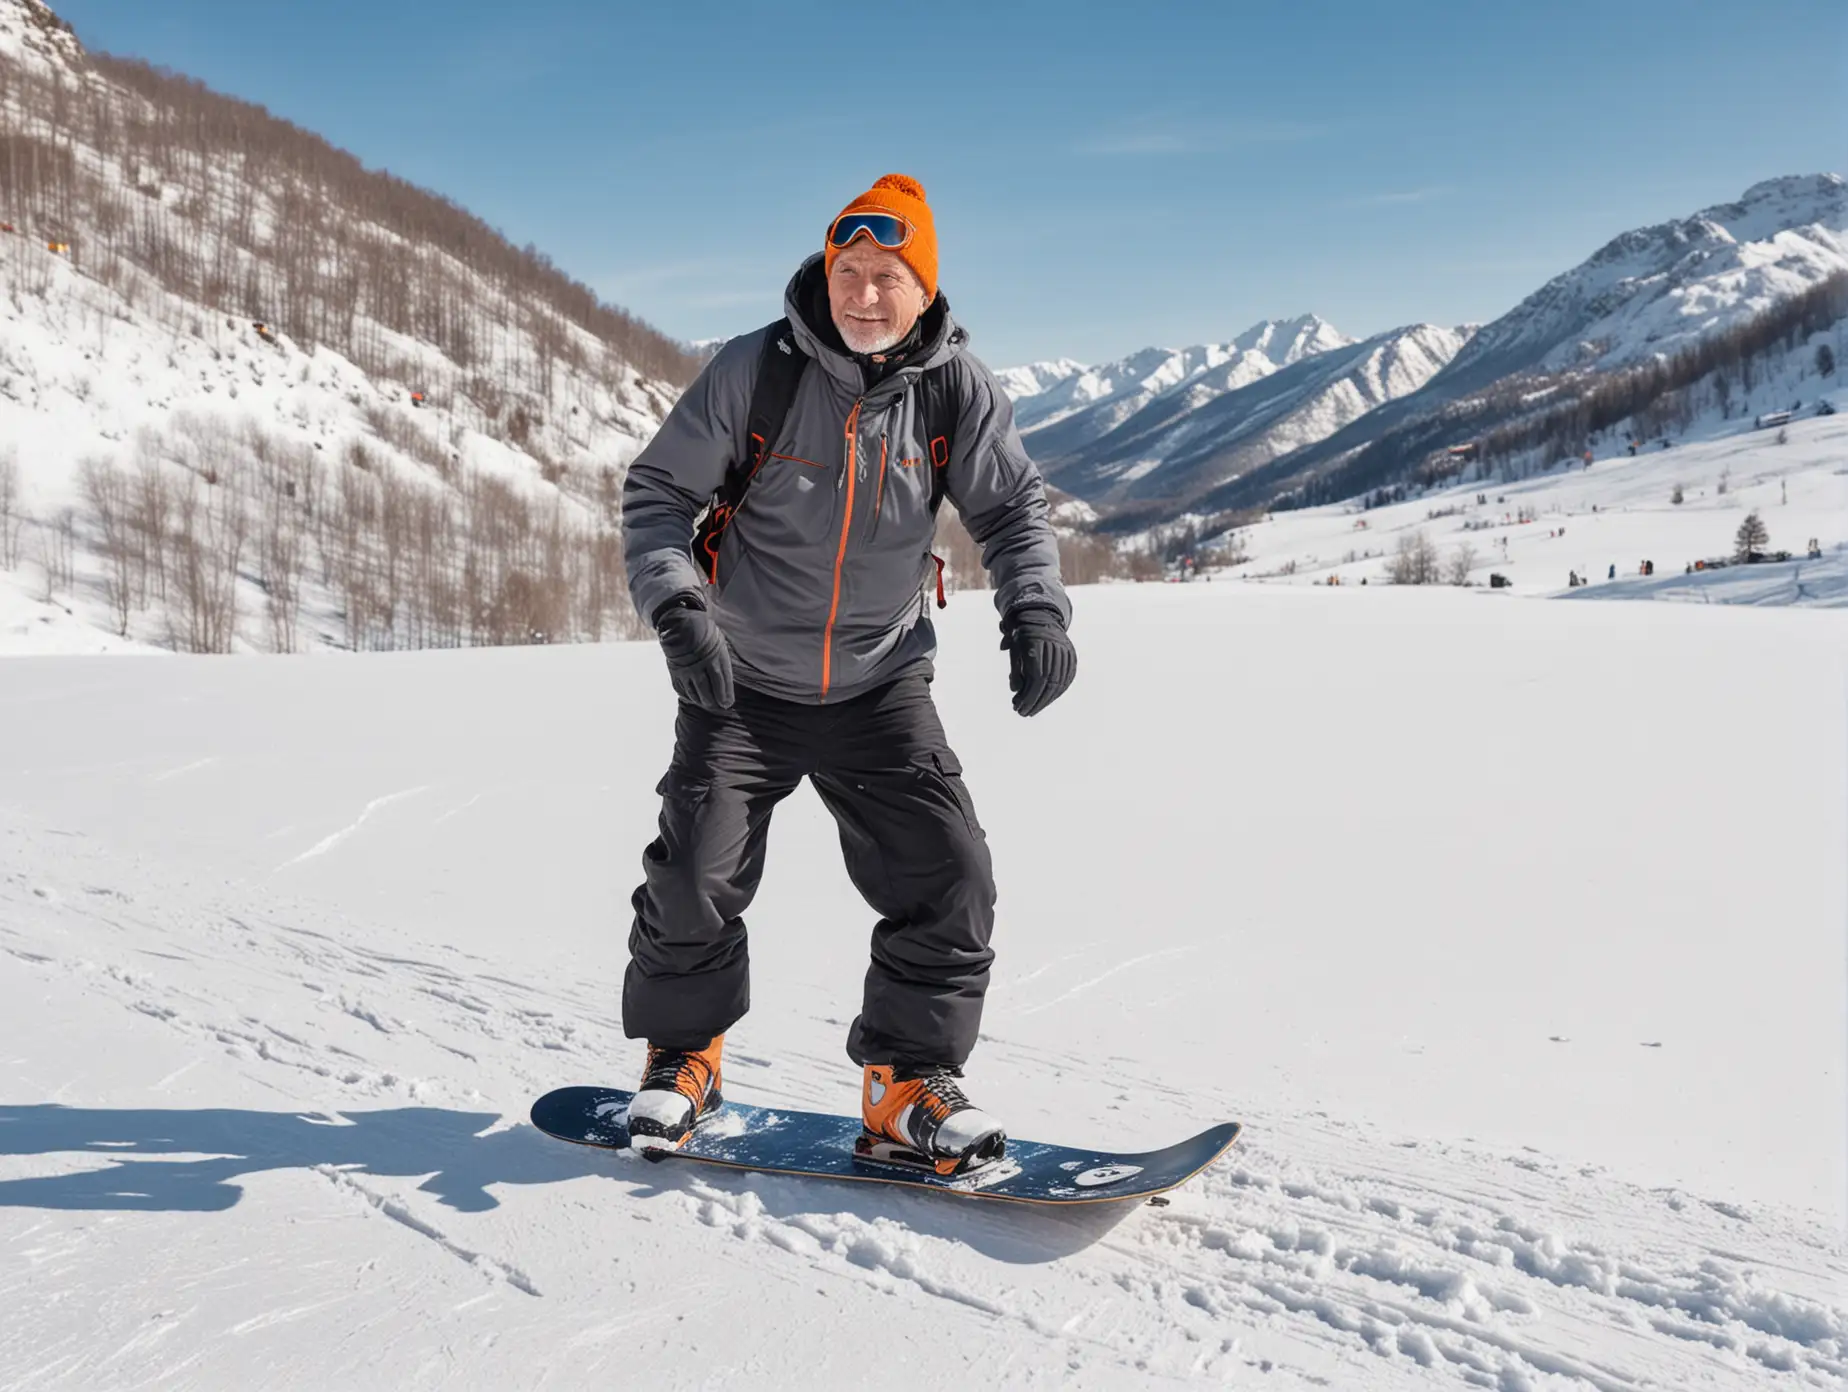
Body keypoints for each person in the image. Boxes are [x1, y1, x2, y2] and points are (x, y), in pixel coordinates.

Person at [618, 174, 1076, 1175]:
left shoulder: (958, 391)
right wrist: (677, 606)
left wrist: (1035, 606)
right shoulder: (756, 374)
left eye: (887, 276)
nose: (863, 296)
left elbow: (1011, 513)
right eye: (848, 273)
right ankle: (685, 1057)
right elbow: (656, 497)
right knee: (695, 872)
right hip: (739, 680)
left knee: (951, 873)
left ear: (925, 288)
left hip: (879, 686)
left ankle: (905, 1083)